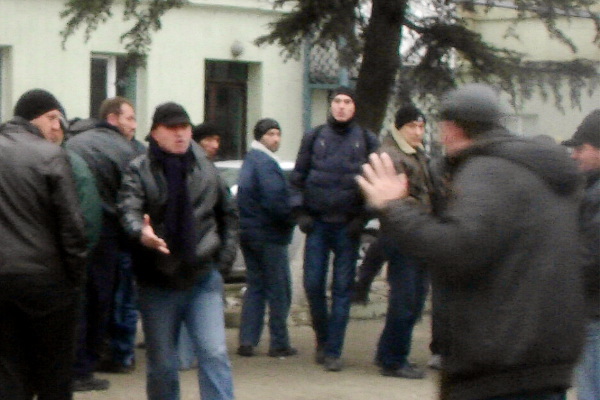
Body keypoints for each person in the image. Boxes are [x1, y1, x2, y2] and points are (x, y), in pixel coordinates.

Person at [357, 84, 587, 400]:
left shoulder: (487, 170)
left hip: (500, 365)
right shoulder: (537, 171)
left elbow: (456, 248)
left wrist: (394, 207)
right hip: (544, 360)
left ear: (452, 128)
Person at [118, 102, 237, 400]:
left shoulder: (205, 167)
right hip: (158, 280)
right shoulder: (139, 169)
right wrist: (141, 232)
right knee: (163, 364)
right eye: (172, 128)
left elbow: (228, 215)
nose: (180, 134)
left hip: (202, 277)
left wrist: (222, 263)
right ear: (155, 132)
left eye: (185, 128)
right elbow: (128, 209)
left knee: (214, 352)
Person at [0, 89, 88, 399]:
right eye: (52, 118)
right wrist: (76, 278)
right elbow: (72, 226)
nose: (57, 127)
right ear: (32, 118)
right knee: (54, 373)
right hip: (47, 282)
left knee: (8, 372)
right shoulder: (50, 156)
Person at [290, 86, 379, 371]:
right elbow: (297, 179)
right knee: (313, 284)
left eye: (347, 101)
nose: (341, 106)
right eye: (337, 101)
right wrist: (300, 211)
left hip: (348, 227)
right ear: (330, 106)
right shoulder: (314, 137)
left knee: (342, 290)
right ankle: (323, 338)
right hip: (317, 225)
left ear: (354, 107)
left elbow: (375, 184)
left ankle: (333, 351)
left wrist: (362, 218)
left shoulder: (366, 140)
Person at [66, 96, 143, 390]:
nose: (134, 125)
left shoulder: (72, 144)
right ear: (112, 118)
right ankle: (86, 367)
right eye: (130, 118)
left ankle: (72, 365)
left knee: (77, 301)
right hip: (107, 235)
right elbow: (132, 195)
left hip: (70, 234)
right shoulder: (124, 150)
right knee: (102, 302)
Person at [372, 105, 434, 379]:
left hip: (417, 236)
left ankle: (388, 352)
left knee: (414, 299)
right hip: (402, 237)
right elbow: (396, 201)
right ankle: (394, 360)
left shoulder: (415, 153)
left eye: (421, 127)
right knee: (406, 300)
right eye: (412, 126)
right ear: (399, 128)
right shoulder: (391, 156)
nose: (418, 132)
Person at [236, 118, 297, 358]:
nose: (276, 139)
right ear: (260, 136)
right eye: (271, 134)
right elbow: (275, 200)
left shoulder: (250, 160)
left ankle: (247, 340)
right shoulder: (266, 163)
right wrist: (291, 218)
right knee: (279, 290)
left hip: (249, 232)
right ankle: (279, 342)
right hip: (270, 234)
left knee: (255, 287)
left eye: (278, 134)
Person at [177, 121, 225, 370]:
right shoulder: (191, 171)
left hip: (206, 254)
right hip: (191, 255)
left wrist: (225, 254)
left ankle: (188, 356)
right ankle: (184, 357)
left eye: (217, 140)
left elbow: (227, 214)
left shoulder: (211, 171)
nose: (214, 145)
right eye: (209, 140)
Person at [562, 109, 600, 400]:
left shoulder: (596, 195)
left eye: (581, 148)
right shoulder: (589, 188)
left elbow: (590, 258)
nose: (574, 155)